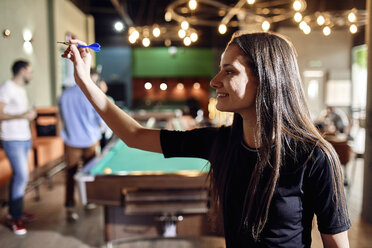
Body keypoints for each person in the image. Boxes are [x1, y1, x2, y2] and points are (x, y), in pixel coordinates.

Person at [62, 32, 351, 247]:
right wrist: (85, 82)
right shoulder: (220, 143)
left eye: (229, 71)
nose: (214, 81)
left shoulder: (315, 157)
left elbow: (336, 243)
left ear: (266, 78)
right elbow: (134, 135)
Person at [59, 69, 104, 221]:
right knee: (89, 173)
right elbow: (100, 119)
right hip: (90, 140)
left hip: (71, 140)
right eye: (95, 78)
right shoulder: (91, 93)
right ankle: (89, 201)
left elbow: (61, 117)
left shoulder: (65, 94)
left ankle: (70, 205)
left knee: (71, 174)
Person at [0, 60, 36, 235]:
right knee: (22, 176)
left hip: (24, 138)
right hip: (12, 139)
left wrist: (29, 115)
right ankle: (15, 219)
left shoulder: (21, 89)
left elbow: (19, 114)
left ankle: (16, 212)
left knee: (18, 177)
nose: (31, 75)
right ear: (22, 71)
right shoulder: (7, 87)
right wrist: (23, 115)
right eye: (30, 71)